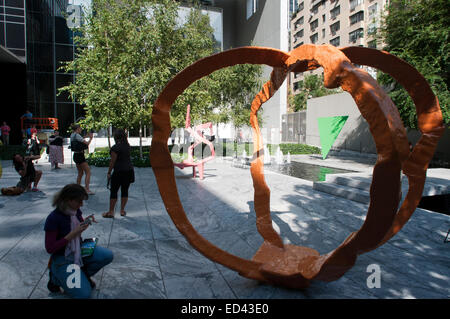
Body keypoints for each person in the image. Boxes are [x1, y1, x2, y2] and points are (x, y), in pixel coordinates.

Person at [44, 184, 114, 299]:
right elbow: (50, 248)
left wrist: (86, 221)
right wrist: (72, 235)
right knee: (83, 295)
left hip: (77, 249)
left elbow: (79, 222)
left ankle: (82, 275)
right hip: (63, 257)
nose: (81, 204)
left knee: (107, 255)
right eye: (79, 201)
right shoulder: (54, 218)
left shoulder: (75, 211)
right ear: (68, 200)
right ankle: (55, 278)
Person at [102, 129, 134, 218]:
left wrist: (109, 172)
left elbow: (112, 161)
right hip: (129, 171)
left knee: (114, 191)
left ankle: (111, 212)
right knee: (125, 190)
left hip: (119, 171)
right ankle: (122, 210)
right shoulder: (127, 146)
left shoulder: (115, 148)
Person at [70, 124, 94, 194]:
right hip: (80, 155)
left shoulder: (72, 135)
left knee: (80, 173)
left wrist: (85, 136)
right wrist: (90, 138)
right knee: (88, 172)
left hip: (76, 155)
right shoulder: (77, 135)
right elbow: (86, 144)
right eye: (80, 128)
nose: (81, 130)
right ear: (77, 129)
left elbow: (80, 139)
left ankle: (77, 188)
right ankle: (87, 189)